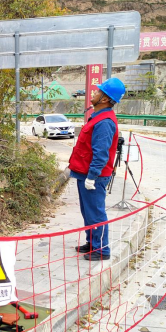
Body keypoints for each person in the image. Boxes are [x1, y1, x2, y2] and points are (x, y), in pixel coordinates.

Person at [68, 77, 126, 261]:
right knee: (88, 212)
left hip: (94, 176)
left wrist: (92, 176)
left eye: (98, 91)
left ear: (105, 99)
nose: (93, 93)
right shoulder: (98, 117)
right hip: (85, 173)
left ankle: (101, 250)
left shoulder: (104, 122)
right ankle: (92, 243)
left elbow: (101, 153)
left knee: (95, 213)